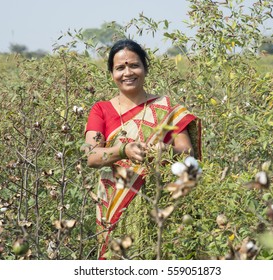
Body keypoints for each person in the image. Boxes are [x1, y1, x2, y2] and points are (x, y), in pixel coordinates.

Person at [84, 39, 201, 259]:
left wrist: (164, 150)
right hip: (115, 202)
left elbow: (187, 152)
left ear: (145, 68)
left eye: (134, 65)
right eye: (120, 67)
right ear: (111, 73)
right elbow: (91, 156)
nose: (128, 72)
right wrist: (123, 151)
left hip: (161, 202)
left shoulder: (167, 108)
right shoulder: (101, 109)